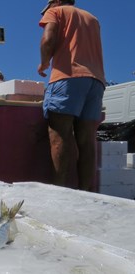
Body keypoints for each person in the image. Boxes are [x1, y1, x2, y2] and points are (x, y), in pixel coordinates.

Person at [38, 0, 106, 191]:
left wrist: (44, 63)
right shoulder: (92, 18)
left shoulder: (57, 11)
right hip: (96, 81)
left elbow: (47, 39)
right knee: (86, 140)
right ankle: (86, 194)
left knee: (59, 135)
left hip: (68, 77)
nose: (47, 11)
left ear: (56, 1)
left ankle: (58, 195)